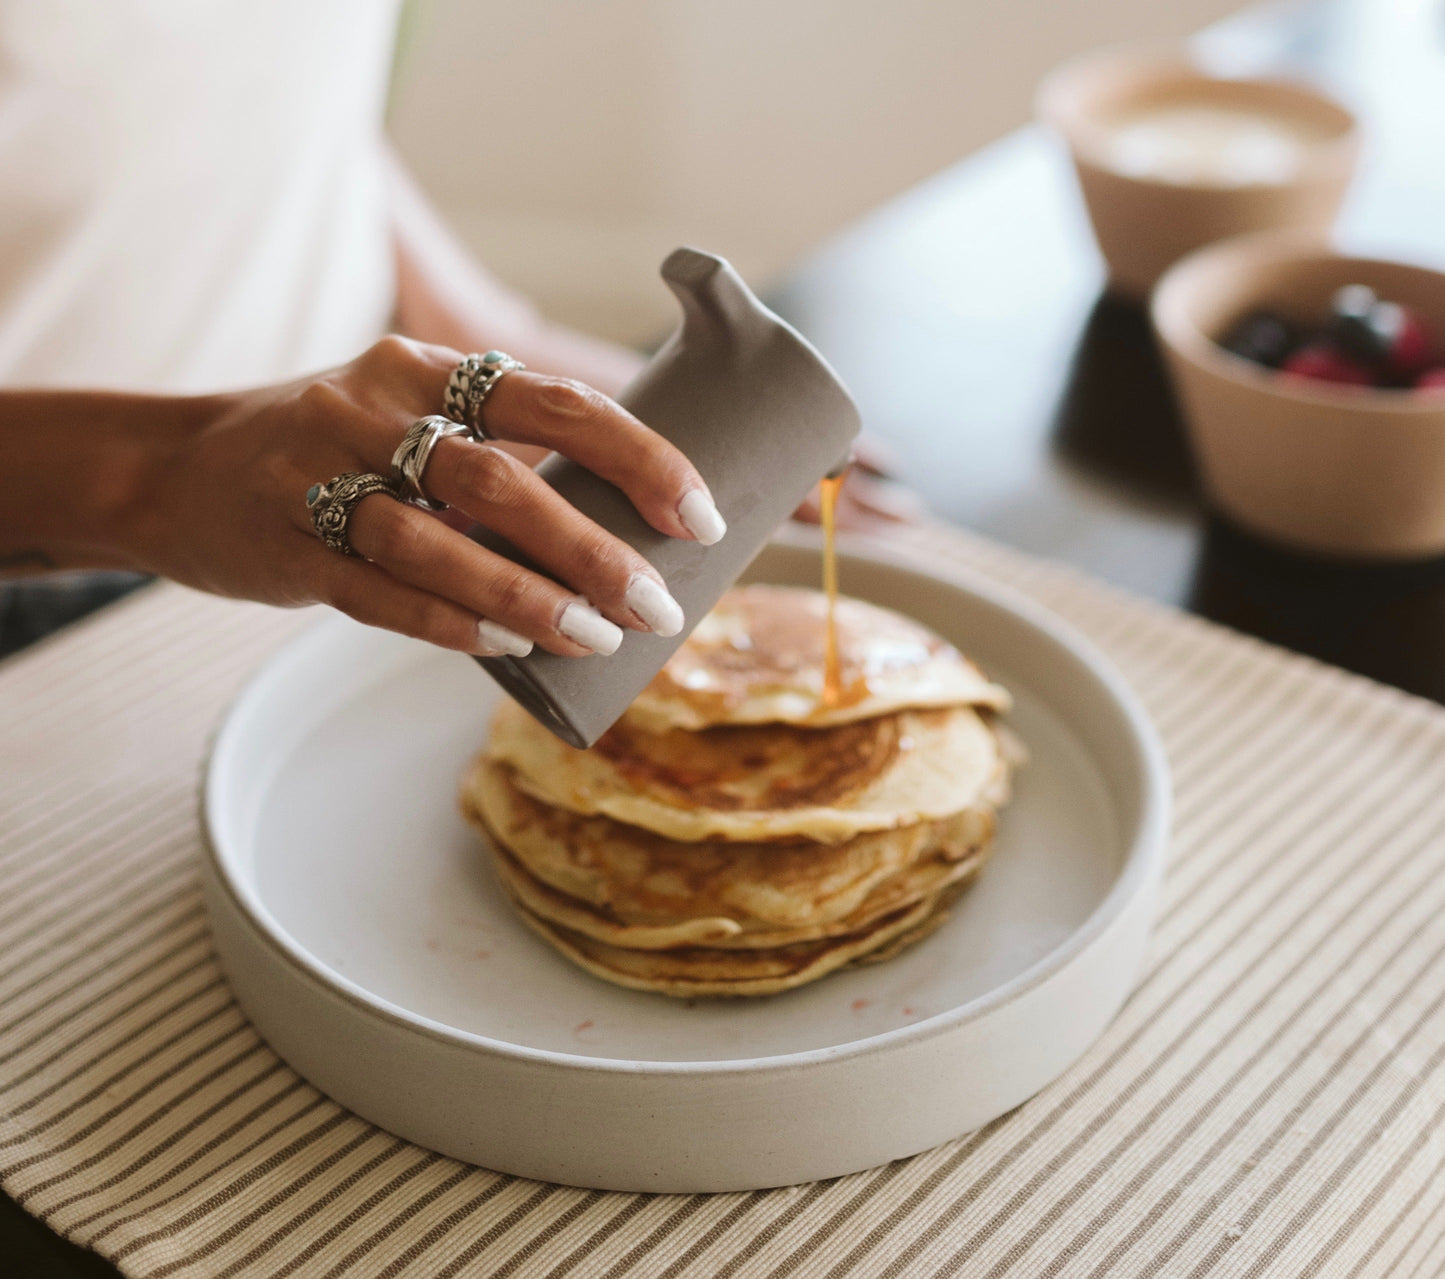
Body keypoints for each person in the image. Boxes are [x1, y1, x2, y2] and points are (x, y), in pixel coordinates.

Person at [0, 1, 911, 659]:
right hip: (49, 568)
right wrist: (155, 476)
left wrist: (479, 328)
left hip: (345, 486)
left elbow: (238, 87)